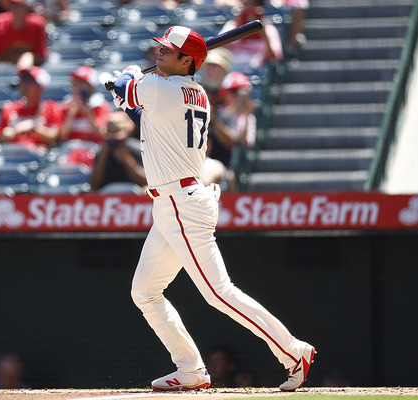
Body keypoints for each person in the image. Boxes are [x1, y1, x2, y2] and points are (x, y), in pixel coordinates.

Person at [109, 25, 315, 391]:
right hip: (175, 202)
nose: (159, 53)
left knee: (219, 292)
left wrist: (123, 79)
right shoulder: (197, 92)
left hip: (181, 205)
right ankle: (190, 369)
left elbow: (129, 90)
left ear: (187, 59)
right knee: (145, 291)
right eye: (160, 49)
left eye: (167, 51)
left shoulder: (159, 87)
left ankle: (292, 350)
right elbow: (145, 120)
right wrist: (127, 88)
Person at [0, 66, 61, 150]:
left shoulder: (51, 108)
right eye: (23, 80)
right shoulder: (9, 108)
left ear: (40, 86)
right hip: (12, 153)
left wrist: (34, 127)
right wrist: (4, 135)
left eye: (29, 81)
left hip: (37, 157)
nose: (24, 84)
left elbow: (54, 137)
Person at [0, 0, 47, 68]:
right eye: (10, 4)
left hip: (26, 74)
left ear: (26, 7)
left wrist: (30, 56)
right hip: (0, 71)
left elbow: (41, 57)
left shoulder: (37, 24)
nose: (12, 7)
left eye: (16, 4)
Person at [88, 110, 146, 191]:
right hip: (107, 197)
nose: (115, 142)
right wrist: (103, 155)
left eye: (119, 138)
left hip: (134, 198)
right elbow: (94, 184)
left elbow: (145, 181)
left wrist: (126, 158)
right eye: (111, 137)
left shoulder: (137, 149)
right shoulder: (101, 151)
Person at [209, 71, 256, 169]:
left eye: (242, 94)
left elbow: (242, 143)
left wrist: (246, 114)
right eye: (233, 92)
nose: (238, 97)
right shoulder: (217, 111)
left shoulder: (249, 117)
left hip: (235, 163)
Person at [219, 0, 283, 70]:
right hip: (232, 69)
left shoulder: (270, 30)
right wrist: (237, 29)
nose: (249, 7)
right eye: (246, 4)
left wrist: (263, 34)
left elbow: (274, 58)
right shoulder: (231, 25)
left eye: (254, 4)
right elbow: (219, 47)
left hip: (259, 71)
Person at [58, 65, 112, 144]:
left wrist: (88, 113)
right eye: (76, 83)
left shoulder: (102, 106)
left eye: (83, 83)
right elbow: (62, 137)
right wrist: (70, 115)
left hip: (93, 149)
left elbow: (101, 135)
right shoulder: (66, 105)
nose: (79, 87)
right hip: (70, 149)